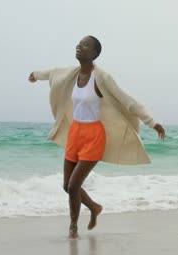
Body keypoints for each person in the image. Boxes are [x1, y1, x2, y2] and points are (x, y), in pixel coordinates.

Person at [28, 35, 165, 239]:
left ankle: (73, 227)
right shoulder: (71, 74)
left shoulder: (101, 77)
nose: (79, 46)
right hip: (75, 133)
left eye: (85, 45)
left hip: (94, 136)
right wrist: (36, 75)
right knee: (67, 186)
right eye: (79, 43)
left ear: (94, 54)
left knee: (74, 185)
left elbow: (127, 100)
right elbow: (52, 73)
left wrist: (152, 122)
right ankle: (94, 207)